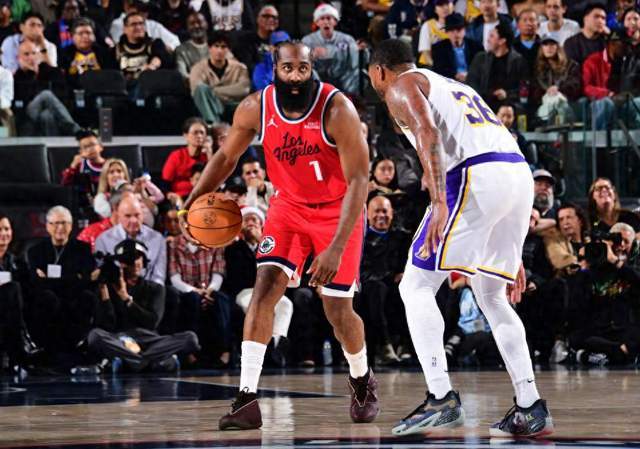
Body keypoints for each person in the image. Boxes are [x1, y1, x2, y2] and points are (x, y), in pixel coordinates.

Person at [180, 41, 378, 430]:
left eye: (303, 68)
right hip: (287, 208)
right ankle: (246, 398)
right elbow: (226, 157)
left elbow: (359, 179)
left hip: (337, 211)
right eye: (288, 68)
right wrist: (192, 200)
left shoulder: (337, 109)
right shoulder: (255, 107)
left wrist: (336, 247)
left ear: (311, 69)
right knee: (264, 292)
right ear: (275, 70)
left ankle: (361, 377)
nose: (296, 76)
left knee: (337, 311)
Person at [368, 39, 552, 437]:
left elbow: (428, 133)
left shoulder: (401, 85)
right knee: (491, 295)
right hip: (517, 175)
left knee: (415, 285)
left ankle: (440, 398)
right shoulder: (454, 86)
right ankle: (530, 405)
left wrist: (438, 201)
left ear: (378, 71)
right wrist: (510, 244)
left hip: (474, 175)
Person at [87, 239, 200, 372]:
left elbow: (152, 322)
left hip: (151, 340)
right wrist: (104, 293)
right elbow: (107, 325)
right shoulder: (109, 288)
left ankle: (132, 361)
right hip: (121, 339)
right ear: (121, 264)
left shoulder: (155, 288)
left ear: (144, 261)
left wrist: (126, 299)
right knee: (94, 335)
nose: (135, 263)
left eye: (138, 258)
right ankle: (151, 362)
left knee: (190, 338)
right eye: (129, 259)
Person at [223, 206, 293, 367]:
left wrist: (262, 243)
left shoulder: (270, 247)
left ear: (261, 225)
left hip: (269, 291)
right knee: (254, 305)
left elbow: (277, 271)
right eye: (246, 220)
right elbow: (241, 275)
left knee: (285, 304)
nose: (250, 223)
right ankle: (263, 349)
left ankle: (275, 344)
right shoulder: (233, 249)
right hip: (246, 291)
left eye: (254, 220)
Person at [27, 206, 98, 352]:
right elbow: (36, 282)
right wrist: (73, 277)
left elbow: (86, 280)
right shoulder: (35, 251)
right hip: (49, 299)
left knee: (87, 297)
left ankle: (78, 344)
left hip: (74, 298)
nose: (60, 227)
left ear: (71, 226)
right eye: (55, 223)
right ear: (47, 226)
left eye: (64, 223)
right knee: (45, 298)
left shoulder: (83, 249)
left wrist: (50, 280)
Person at [359, 195, 410, 364]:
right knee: (376, 290)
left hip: (395, 284)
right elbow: (362, 269)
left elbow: (409, 262)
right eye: (376, 211)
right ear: (367, 214)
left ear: (392, 213)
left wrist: (405, 273)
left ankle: (406, 346)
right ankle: (384, 344)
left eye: (385, 211)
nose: (381, 215)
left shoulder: (403, 237)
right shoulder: (360, 238)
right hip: (370, 284)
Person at [0, 212, 43, 367]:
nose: (4, 233)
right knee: (12, 288)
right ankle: (23, 341)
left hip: (12, 310)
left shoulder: (15, 261)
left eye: (6, 229)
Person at [96, 194, 167, 285]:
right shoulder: (103, 240)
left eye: (137, 215)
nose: (134, 220)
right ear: (118, 216)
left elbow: (159, 277)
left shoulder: (158, 239)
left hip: (149, 289)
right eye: (128, 216)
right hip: (115, 289)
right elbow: (102, 276)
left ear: (142, 214)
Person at [13, 39, 80, 136]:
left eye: (34, 53)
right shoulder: (17, 77)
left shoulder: (51, 72)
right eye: (26, 54)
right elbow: (19, 104)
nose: (31, 57)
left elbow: (62, 96)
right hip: (27, 116)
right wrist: (31, 75)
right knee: (46, 95)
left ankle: (53, 145)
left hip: (51, 114)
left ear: (39, 55)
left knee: (47, 116)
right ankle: (76, 130)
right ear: (18, 58)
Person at [189, 31, 250, 124]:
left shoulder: (239, 67)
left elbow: (243, 89)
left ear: (228, 49)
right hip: (207, 106)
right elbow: (196, 92)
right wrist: (226, 93)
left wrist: (212, 91)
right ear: (209, 48)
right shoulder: (197, 68)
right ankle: (214, 123)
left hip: (232, 106)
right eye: (216, 46)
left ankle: (214, 124)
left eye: (223, 47)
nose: (219, 50)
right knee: (201, 90)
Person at [302, 3, 363, 95]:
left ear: (335, 22)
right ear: (317, 22)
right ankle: (319, 97)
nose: (326, 22)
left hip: (343, 78)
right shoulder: (307, 40)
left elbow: (355, 62)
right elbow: (301, 63)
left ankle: (350, 99)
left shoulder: (347, 39)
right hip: (319, 79)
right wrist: (310, 56)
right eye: (322, 19)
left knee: (358, 73)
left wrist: (359, 51)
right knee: (309, 73)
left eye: (329, 18)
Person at [467, 22, 529, 110]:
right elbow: (471, 83)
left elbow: (524, 89)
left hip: (509, 107)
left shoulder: (519, 61)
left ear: (502, 41)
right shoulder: (480, 59)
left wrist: (507, 94)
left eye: (492, 36)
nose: (488, 40)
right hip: (483, 107)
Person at [533, 35, 581, 123]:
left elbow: (575, 85)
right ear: (541, 48)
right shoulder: (537, 69)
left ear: (558, 47)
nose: (549, 48)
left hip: (567, 101)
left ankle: (548, 118)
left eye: (552, 44)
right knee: (552, 100)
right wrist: (547, 92)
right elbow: (535, 90)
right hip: (544, 101)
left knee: (558, 100)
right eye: (545, 45)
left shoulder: (571, 66)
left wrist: (558, 89)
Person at [115, 12, 172, 84]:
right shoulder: (116, 49)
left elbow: (161, 57)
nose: (138, 27)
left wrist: (152, 66)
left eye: (141, 24)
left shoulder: (155, 44)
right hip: (125, 86)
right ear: (125, 29)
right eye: (133, 24)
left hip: (150, 84)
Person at [232, 4, 290, 75]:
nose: (271, 19)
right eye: (266, 16)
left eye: (274, 17)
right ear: (258, 19)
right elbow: (246, 66)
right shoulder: (245, 40)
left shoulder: (282, 40)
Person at [59, 17, 116, 88]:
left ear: (94, 36)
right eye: (80, 33)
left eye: (88, 33)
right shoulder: (64, 54)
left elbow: (111, 77)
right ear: (72, 36)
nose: (85, 36)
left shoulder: (105, 53)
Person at [162, 117, 209, 198]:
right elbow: (165, 183)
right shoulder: (177, 156)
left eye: (202, 133)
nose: (199, 136)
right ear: (186, 135)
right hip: (179, 197)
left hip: (202, 197)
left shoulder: (207, 156)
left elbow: (214, 180)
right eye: (195, 133)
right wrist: (170, 195)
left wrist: (209, 153)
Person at [61, 128, 105, 212]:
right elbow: (64, 184)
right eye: (85, 147)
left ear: (101, 147)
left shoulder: (110, 165)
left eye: (92, 145)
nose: (90, 149)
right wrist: (73, 166)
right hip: (85, 206)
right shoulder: (80, 165)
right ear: (80, 152)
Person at [110, 0, 180, 51]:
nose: (145, 13)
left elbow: (175, 41)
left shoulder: (152, 25)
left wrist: (164, 49)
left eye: (146, 10)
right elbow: (120, 47)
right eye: (141, 10)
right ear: (129, 7)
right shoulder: (118, 24)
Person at [432, 12, 483, 82]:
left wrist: (469, 75)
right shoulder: (439, 48)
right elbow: (438, 71)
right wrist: (455, 75)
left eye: (459, 29)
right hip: (450, 82)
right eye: (452, 30)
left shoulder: (476, 47)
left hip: (473, 81)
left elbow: (481, 69)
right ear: (446, 32)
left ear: (465, 30)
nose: (456, 33)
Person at [564, 2, 607, 66]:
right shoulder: (571, 43)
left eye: (603, 18)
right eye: (596, 16)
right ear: (585, 19)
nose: (600, 21)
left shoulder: (606, 42)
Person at [417, 0, 454, 67]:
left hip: (452, 67)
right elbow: (426, 53)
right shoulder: (427, 25)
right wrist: (437, 68)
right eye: (440, 5)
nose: (445, 7)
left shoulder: (459, 26)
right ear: (434, 9)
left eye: (447, 3)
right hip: (430, 66)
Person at [174, 11, 209, 80]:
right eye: (192, 24)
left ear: (206, 24)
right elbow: (182, 74)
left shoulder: (218, 45)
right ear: (187, 27)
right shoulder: (181, 50)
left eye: (199, 22)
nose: (196, 26)